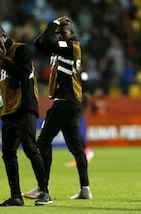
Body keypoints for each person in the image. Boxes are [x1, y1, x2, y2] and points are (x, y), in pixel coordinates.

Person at [0, 24, 51, 206]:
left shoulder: (20, 50)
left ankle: (44, 192)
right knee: (8, 153)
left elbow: (24, 75)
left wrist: (4, 60)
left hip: (24, 107)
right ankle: (16, 196)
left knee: (30, 149)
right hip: (7, 110)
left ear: (5, 36)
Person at [22, 16, 92, 202]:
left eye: (61, 33)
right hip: (70, 102)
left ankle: (43, 190)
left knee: (43, 141)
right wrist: (54, 28)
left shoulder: (70, 47)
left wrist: (53, 23)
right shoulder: (62, 48)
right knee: (76, 147)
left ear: (69, 33)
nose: (58, 36)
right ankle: (85, 189)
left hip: (65, 101)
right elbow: (39, 42)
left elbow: (45, 41)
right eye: (57, 34)